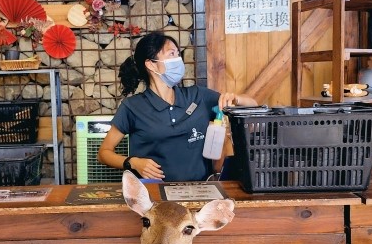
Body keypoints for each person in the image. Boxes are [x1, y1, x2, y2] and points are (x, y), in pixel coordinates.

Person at [97, 32, 257, 182]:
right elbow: (104, 153)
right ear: (151, 65)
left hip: (199, 191)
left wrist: (236, 98)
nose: (178, 60)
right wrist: (133, 162)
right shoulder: (132, 107)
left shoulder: (198, 96)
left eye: (178, 54)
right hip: (152, 195)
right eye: (171, 54)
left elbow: (254, 106)